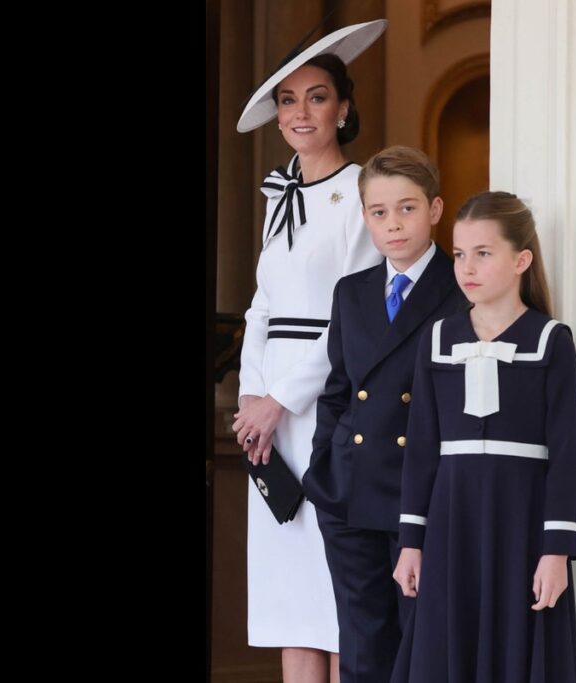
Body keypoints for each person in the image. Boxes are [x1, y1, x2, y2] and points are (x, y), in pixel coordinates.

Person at [232, 19, 388, 683]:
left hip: (324, 410)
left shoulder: (364, 196)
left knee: (334, 600)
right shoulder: (278, 198)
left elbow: (352, 320)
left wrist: (280, 399)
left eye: (317, 96)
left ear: (344, 107)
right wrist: (247, 395)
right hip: (266, 422)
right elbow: (262, 304)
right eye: (289, 99)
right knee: (290, 603)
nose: (301, 111)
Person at [390, 191, 576, 683]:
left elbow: (565, 455)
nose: (466, 267)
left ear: (521, 260)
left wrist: (555, 551)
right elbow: (422, 452)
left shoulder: (550, 341)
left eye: (483, 253)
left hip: (521, 527)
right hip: (451, 526)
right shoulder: (437, 340)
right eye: (458, 254)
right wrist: (412, 542)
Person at [303, 146, 466, 683]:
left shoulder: (462, 288)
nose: (392, 224)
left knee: (423, 646)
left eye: (407, 208)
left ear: (436, 209)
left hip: (424, 498)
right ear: (364, 216)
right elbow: (337, 392)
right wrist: (323, 468)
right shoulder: (352, 292)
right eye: (378, 212)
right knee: (362, 646)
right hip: (349, 495)